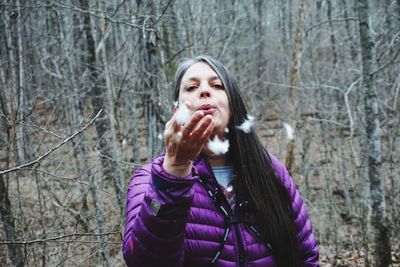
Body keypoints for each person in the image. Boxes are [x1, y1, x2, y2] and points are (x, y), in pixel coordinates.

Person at [122, 55, 320, 267]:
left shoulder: (271, 171)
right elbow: (143, 261)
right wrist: (174, 173)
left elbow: (306, 257)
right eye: (191, 88)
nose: (205, 91)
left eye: (217, 85)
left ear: (233, 104)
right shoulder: (151, 178)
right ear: (176, 111)